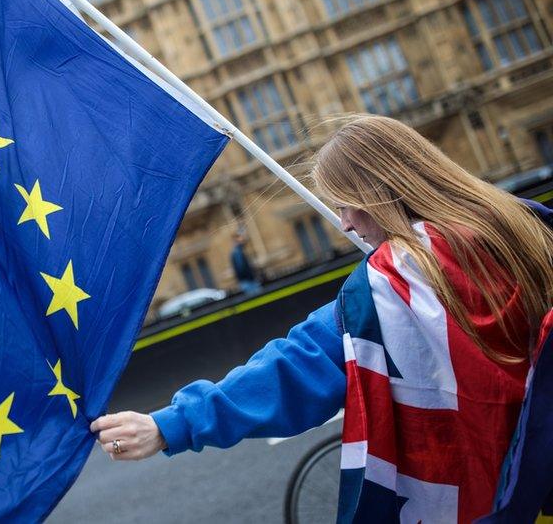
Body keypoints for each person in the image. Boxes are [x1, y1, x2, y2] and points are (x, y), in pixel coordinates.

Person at [90, 115, 553, 522]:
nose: (347, 225)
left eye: (347, 205)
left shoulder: (392, 285)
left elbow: (300, 363)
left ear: (381, 192)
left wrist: (170, 424)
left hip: (499, 492)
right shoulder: (527, 225)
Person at [230, 230, 261, 295]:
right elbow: (241, 268)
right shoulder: (237, 252)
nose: (243, 240)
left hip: (246, 281)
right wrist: (250, 275)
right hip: (248, 282)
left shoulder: (238, 251)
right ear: (236, 240)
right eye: (241, 238)